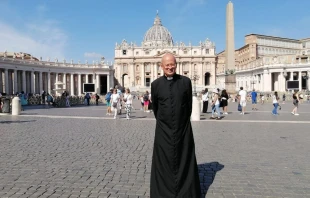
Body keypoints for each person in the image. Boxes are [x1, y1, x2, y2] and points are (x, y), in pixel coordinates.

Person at [150, 53, 201, 197]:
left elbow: (189, 107)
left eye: (172, 64)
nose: (170, 67)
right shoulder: (156, 84)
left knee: (184, 157)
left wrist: (181, 122)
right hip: (163, 130)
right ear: (161, 66)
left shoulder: (185, 82)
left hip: (182, 129)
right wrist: (164, 123)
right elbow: (156, 108)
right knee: (163, 161)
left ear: (176, 65)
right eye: (167, 65)